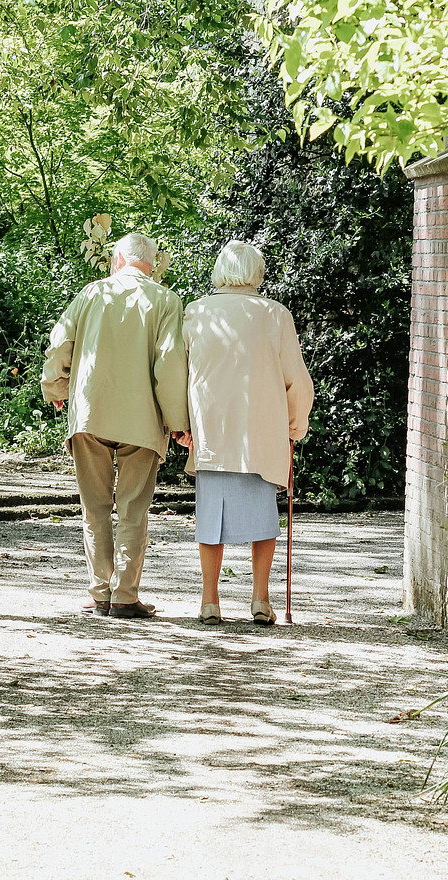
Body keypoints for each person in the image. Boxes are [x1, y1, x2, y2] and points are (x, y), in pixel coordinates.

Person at [41, 232, 189, 619]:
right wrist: (178, 422)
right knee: (133, 509)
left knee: (94, 507)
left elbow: (60, 344)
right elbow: (170, 364)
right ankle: (124, 596)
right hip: (142, 419)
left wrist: (55, 386)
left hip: (91, 413)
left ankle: (99, 593)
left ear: (117, 260)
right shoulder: (166, 300)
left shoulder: (91, 294)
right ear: (151, 265)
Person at [180, 240, 314, 625]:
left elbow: (180, 374)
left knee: (210, 517)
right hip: (261, 430)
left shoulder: (197, 312)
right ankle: (260, 599)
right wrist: (295, 422)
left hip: (212, 430)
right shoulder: (274, 315)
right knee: (263, 517)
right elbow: (297, 380)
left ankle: (209, 600)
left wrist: (181, 424)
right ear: (257, 272)